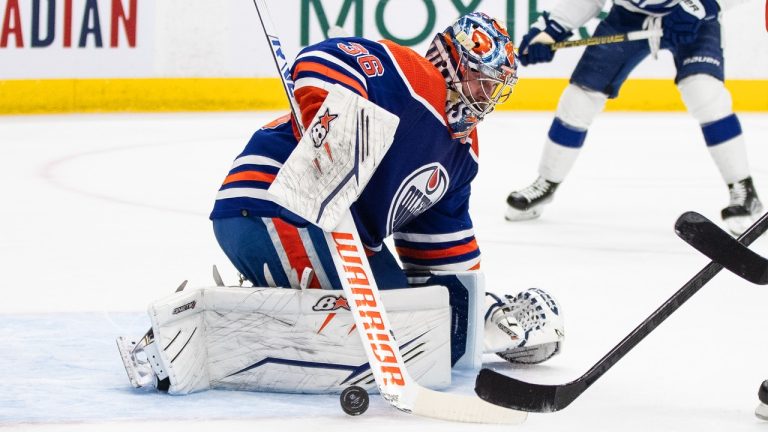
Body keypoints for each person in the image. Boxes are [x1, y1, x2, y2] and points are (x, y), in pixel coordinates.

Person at [115, 12, 565, 396]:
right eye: (481, 79)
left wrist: (480, 319)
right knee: (372, 336)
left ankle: (251, 311)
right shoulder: (411, 75)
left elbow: (442, 261)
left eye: (496, 85)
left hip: (340, 237)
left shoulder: (462, 155)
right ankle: (189, 332)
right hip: (271, 201)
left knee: (411, 323)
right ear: (450, 64)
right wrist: (330, 128)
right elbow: (320, 61)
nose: (488, 95)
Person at [504, 0, 762, 236]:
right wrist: (551, 30)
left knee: (703, 92)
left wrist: (702, 5)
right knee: (579, 98)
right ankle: (546, 183)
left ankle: (743, 189)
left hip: (695, 16)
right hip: (630, 16)